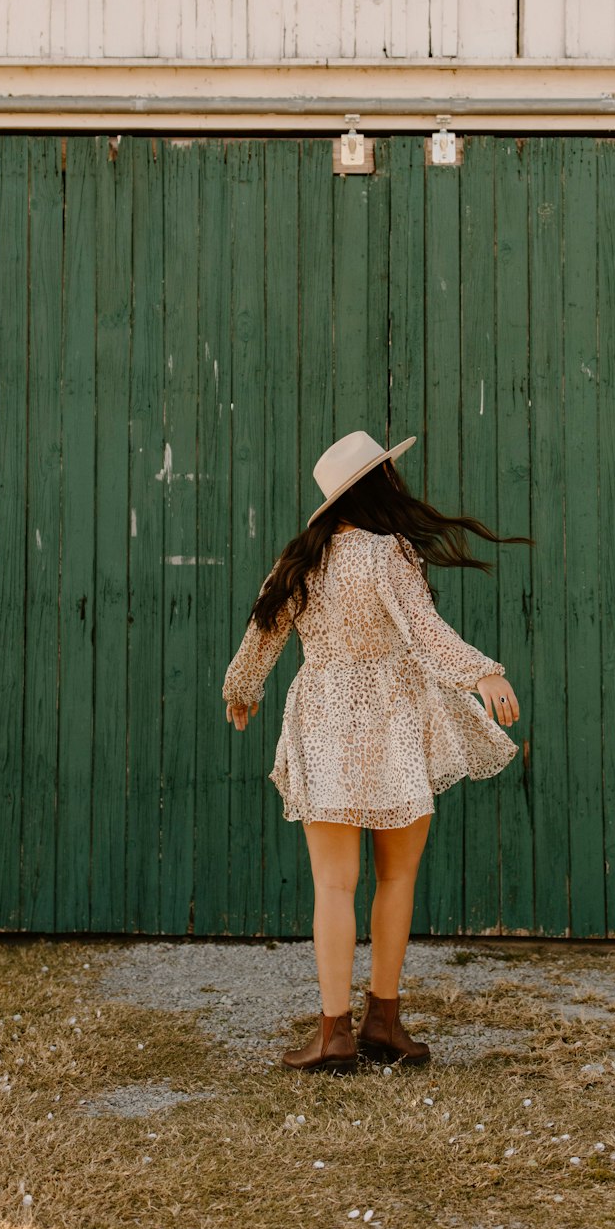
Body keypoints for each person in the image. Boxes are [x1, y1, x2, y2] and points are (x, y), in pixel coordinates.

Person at [221, 429, 528, 1073]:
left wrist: (242, 688)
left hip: (326, 721)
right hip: (391, 722)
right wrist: (482, 672)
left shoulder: (299, 561)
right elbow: (424, 635)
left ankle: (334, 1035)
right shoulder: (388, 556)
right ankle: (382, 1021)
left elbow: (263, 631)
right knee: (397, 876)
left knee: (333, 884)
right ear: (377, 484)